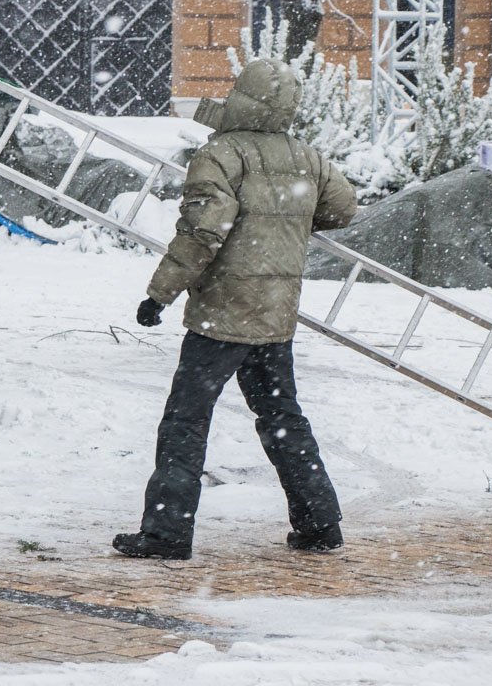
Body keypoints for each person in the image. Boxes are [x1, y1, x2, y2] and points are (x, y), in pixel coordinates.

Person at [113, 58, 358, 561]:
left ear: (241, 97)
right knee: (282, 416)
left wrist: (160, 293)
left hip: (221, 316)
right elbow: (342, 208)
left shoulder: (221, 155)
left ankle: (167, 532)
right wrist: (285, 223)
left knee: (186, 420)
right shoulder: (307, 158)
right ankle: (320, 523)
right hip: (275, 314)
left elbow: (203, 232)